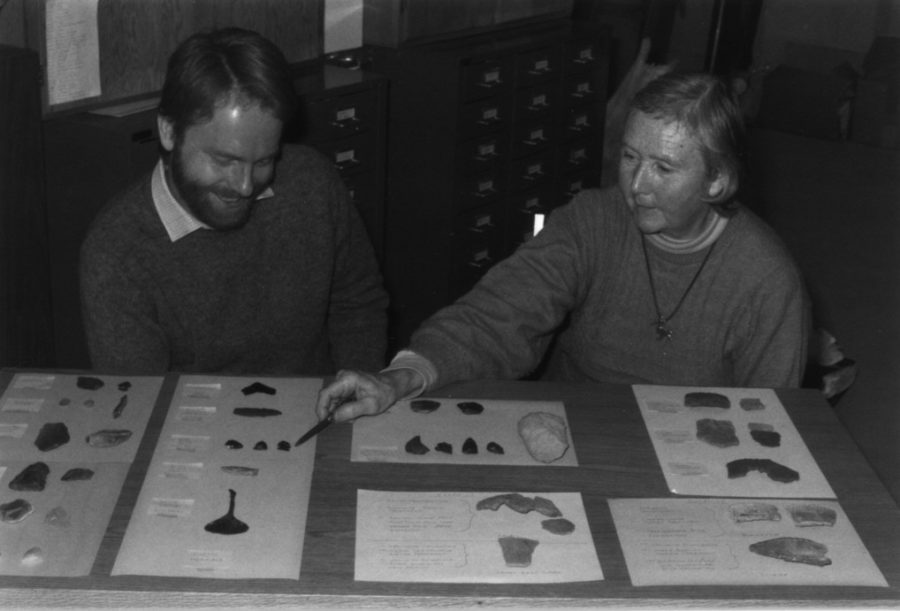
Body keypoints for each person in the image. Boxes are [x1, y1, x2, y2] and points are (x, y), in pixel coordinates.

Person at [315, 70, 810, 423]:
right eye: (630, 156)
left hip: (692, 448)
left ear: (718, 181)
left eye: (663, 167)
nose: (636, 185)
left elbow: (772, 423)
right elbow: (499, 314)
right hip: (572, 430)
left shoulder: (767, 278)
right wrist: (399, 378)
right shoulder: (592, 219)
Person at [80, 28, 388, 375]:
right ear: (168, 131)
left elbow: (358, 303)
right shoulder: (117, 252)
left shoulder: (312, 183)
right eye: (224, 160)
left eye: (263, 162)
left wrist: (356, 387)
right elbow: (141, 403)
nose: (245, 186)